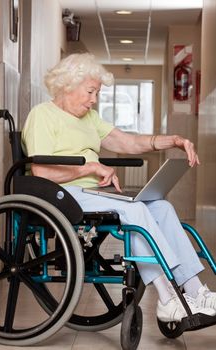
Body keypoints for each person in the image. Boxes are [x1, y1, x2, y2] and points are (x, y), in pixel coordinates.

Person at [22, 52, 216, 322]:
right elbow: (41, 171)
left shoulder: (89, 118)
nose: (94, 99)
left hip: (91, 194)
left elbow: (128, 142)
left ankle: (195, 290)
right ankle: (167, 298)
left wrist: (173, 140)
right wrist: (89, 167)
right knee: (134, 211)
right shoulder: (42, 115)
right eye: (90, 91)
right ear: (68, 84)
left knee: (161, 206)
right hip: (62, 194)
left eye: (97, 93)